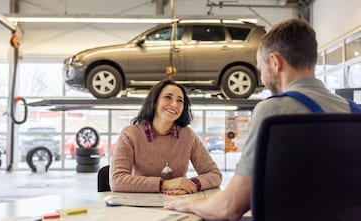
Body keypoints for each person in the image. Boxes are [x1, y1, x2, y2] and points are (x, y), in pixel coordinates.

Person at [164, 18, 360, 219]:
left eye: (260, 68)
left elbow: (229, 208)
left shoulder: (272, 110)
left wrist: (189, 205)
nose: (263, 78)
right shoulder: (355, 113)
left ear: (275, 62)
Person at [110, 79, 222, 195]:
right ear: (154, 102)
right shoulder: (130, 134)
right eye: (168, 97)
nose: (174, 104)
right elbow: (117, 180)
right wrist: (165, 184)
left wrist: (191, 184)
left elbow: (214, 174)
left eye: (180, 100)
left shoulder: (188, 135)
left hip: (178, 202)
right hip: (140, 204)